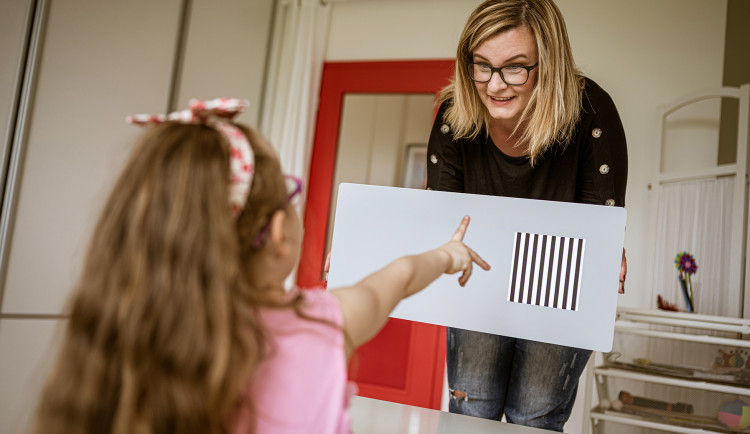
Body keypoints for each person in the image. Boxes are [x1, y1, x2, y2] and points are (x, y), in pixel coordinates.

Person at [30, 98, 490, 434]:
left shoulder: (118, 349)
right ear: (276, 232)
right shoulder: (321, 324)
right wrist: (448, 255)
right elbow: (397, 279)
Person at [425, 0, 628, 431]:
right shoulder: (453, 116)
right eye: (482, 65)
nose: (495, 85)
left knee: (533, 419)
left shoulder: (591, 112)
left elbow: (599, 230)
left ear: (548, 64)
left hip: (560, 290)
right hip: (477, 285)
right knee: (469, 414)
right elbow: (440, 222)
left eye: (515, 67)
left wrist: (608, 254)